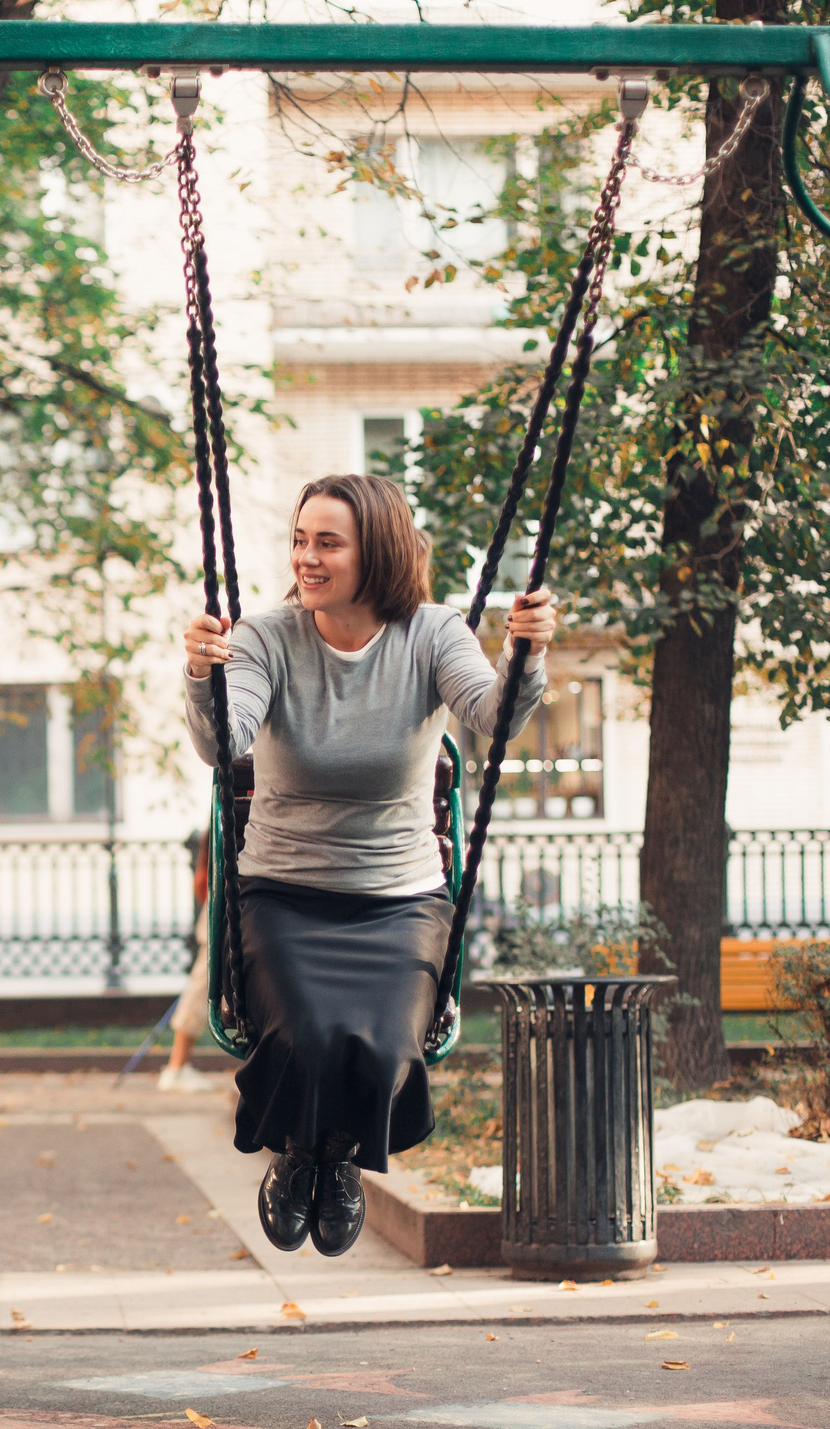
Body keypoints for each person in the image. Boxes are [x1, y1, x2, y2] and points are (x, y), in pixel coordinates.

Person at [183, 473, 557, 1257]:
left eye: (328, 542)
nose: (306, 559)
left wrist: (526, 653)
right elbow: (226, 743)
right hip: (285, 891)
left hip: (400, 896)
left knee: (385, 1047)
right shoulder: (268, 636)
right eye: (300, 539)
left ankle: (343, 1159)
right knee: (307, 1034)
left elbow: (495, 717)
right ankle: (295, 1158)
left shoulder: (431, 633)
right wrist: (203, 675)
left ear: (375, 550)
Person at [158, 838, 219, 1093]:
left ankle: (177, 1067)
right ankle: (176, 1067)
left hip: (227, 898)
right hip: (224, 900)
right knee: (201, 984)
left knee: (203, 982)